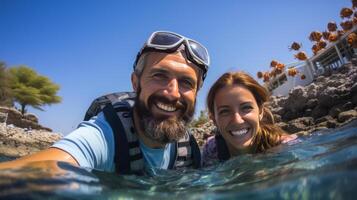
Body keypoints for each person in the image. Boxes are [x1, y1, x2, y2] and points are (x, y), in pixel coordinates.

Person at [0, 31, 210, 174]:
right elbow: (46, 167)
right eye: (159, 76)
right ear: (136, 83)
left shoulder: (188, 150)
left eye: (186, 83)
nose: (173, 94)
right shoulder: (106, 134)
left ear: (196, 93)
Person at [202, 71, 296, 167]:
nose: (237, 120)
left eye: (246, 107)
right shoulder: (210, 150)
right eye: (225, 111)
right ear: (214, 119)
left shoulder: (287, 146)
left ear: (260, 111)